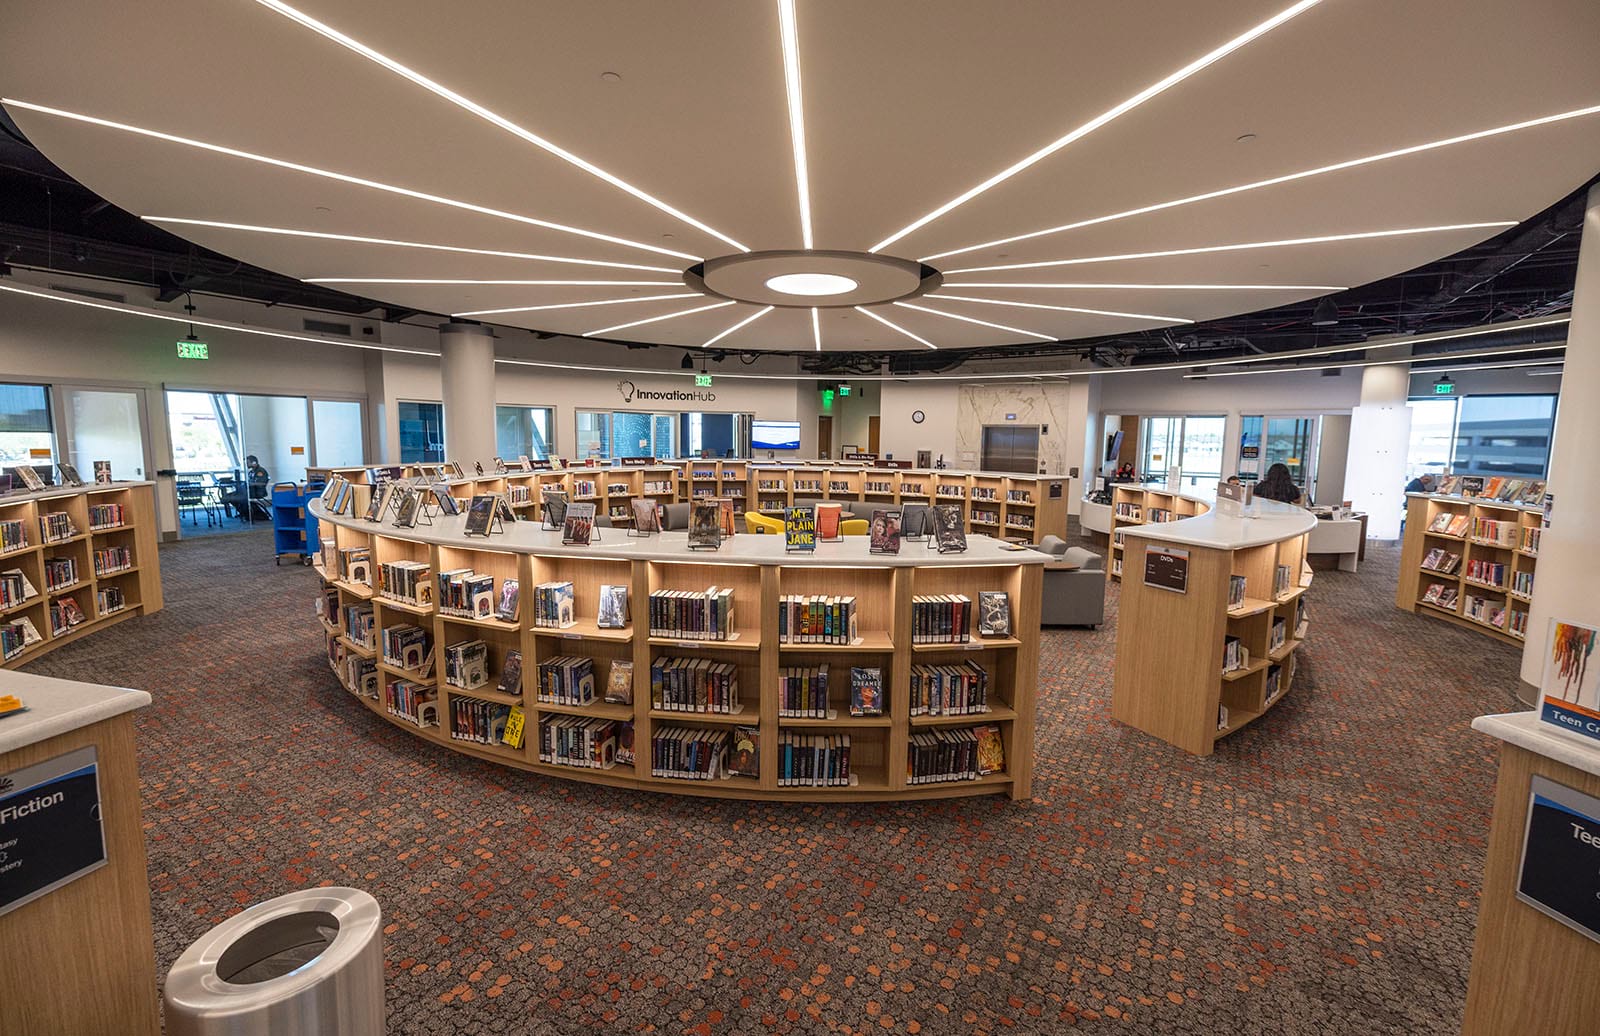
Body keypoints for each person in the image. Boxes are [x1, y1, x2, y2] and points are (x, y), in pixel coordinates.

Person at [223, 454, 270, 519]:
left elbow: (261, 483)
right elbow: (250, 482)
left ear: (254, 463)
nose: (246, 464)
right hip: (250, 491)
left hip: (257, 492)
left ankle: (255, 515)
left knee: (238, 498)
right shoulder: (251, 472)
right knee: (229, 497)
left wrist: (249, 484)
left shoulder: (260, 471)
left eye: (248, 463)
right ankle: (244, 513)